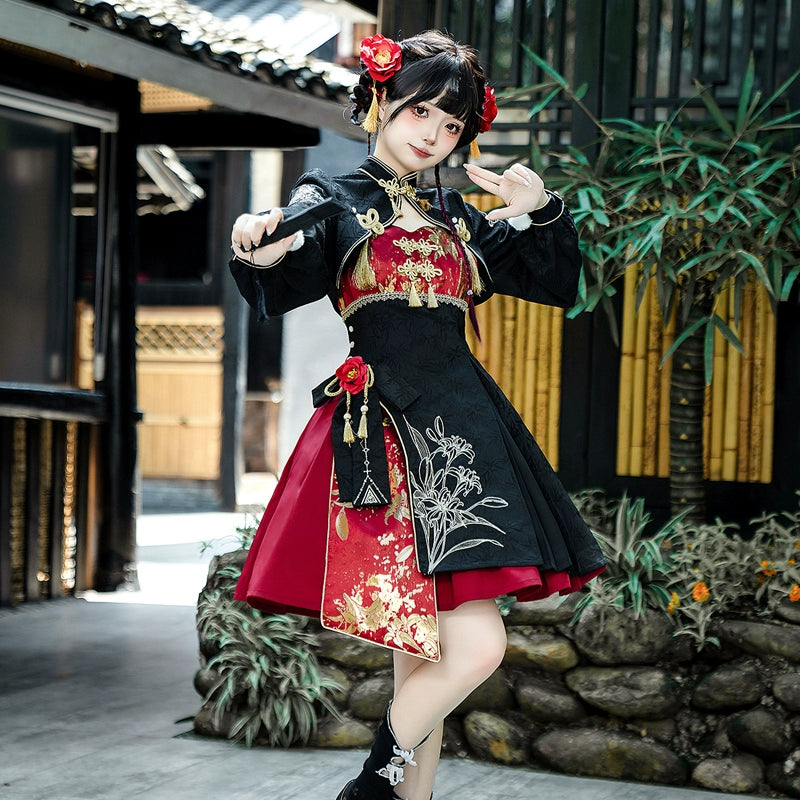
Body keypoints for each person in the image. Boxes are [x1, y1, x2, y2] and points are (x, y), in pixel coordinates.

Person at [229, 29, 605, 800]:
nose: (433, 134)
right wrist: (256, 248)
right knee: (472, 649)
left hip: (467, 432)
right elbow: (283, 258)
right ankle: (373, 786)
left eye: (451, 125)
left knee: (432, 656)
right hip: (388, 434)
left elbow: (558, 279)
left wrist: (538, 210)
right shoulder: (331, 197)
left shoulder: (463, 219)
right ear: (381, 103)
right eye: (420, 112)